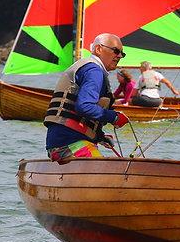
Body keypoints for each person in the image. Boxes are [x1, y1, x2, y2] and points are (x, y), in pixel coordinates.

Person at [44, 33, 130, 162]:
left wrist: (99, 136)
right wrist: (114, 117)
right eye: (116, 51)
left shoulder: (89, 68)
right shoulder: (93, 70)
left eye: (122, 54)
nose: (119, 56)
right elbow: (84, 106)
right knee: (110, 175)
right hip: (69, 144)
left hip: (60, 144)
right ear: (98, 49)